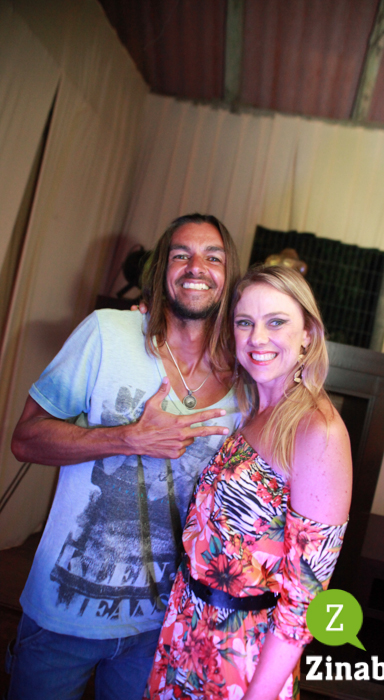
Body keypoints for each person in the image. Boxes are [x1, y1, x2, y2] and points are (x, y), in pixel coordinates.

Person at [7, 214, 242, 700]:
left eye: (213, 257)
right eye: (181, 254)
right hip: (62, 615)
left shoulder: (245, 380)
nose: (196, 267)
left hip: (160, 628)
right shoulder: (107, 333)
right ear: (161, 270)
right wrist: (130, 438)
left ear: (229, 275)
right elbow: (25, 439)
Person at [145, 265, 352, 700]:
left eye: (276, 322)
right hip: (186, 628)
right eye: (245, 322)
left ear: (308, 334)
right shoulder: (253, 404)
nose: (258, 338)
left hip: (241, 656)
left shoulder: (318, 430)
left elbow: (305, 600)